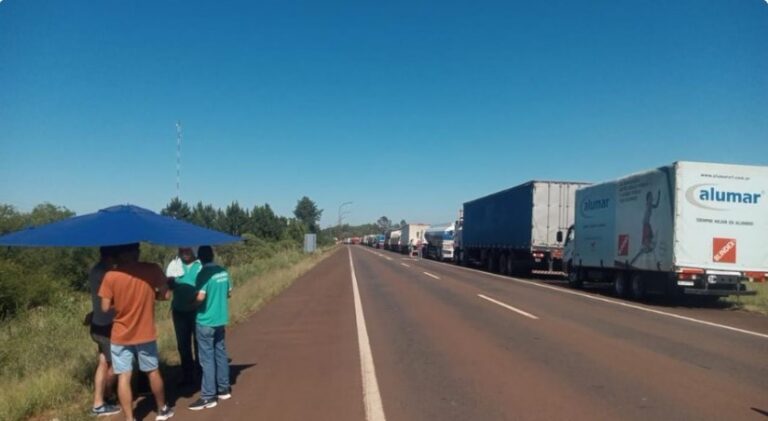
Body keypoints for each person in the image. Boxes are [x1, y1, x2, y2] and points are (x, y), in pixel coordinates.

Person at [99, 243, 175, 421]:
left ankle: (129, 417)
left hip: (120, 334)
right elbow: (166, 295)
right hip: (145, 331)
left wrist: (118, 303)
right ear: (136, 253)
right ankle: (162, 409)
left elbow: (104, 307)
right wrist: (151, 294)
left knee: (124, 376)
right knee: (152, 371)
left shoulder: (111, 275)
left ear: (121, 255)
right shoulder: (152, 269)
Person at [188, 246, 232, 411]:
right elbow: (228, 293)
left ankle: (208, 396)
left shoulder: (203, 275)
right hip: (220, 319)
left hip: (205, 320)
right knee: (220, 353)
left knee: (206, 359)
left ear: (200, 259)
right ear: (212, 256)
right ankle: (223, 388)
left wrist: (190, 305)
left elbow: (200, 297)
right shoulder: (223, 272)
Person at [88, 246, 121, 417]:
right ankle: (106, 398)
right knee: (115, 363)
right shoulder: (107, 274)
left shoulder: (95, 270)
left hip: (97, 324)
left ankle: (99, 402)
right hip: (107, 325)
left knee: (103, 363)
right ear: (110, 256)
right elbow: (110, 302)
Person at [167, 247, 202, 387]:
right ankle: (187, 375)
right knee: (183, 345)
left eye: (188, 251)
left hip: (197, 310)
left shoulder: (199, 265)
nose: (185, 253)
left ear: (193, 251)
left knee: (199, 343)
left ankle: (201, 375)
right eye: (182, 251)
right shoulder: (174, 265)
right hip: (179, 311)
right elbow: (169, 285)